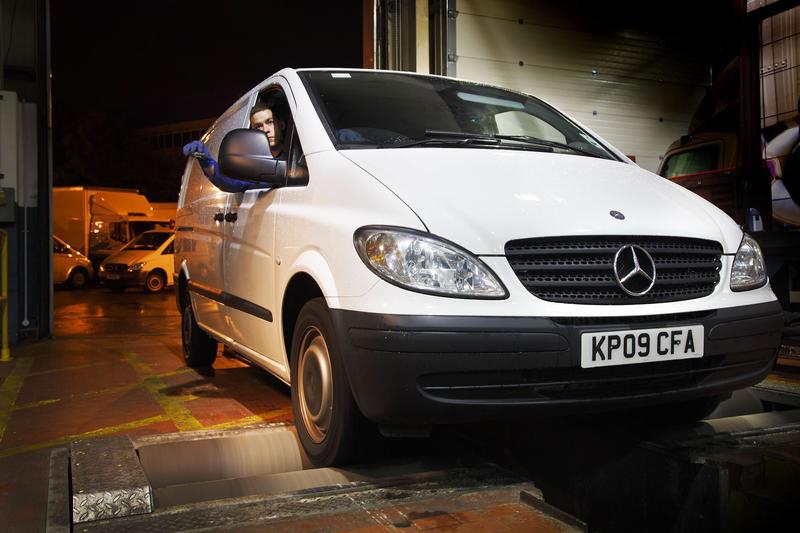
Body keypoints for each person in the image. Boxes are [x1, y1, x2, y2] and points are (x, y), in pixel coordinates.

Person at [182, 99, 288, 193]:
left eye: (270, 122)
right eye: (258, 126)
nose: (265, 130)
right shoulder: (253, 167)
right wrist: (206, 161)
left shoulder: (295, 155)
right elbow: (229, 180)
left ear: (282, 125)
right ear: (253, 134)